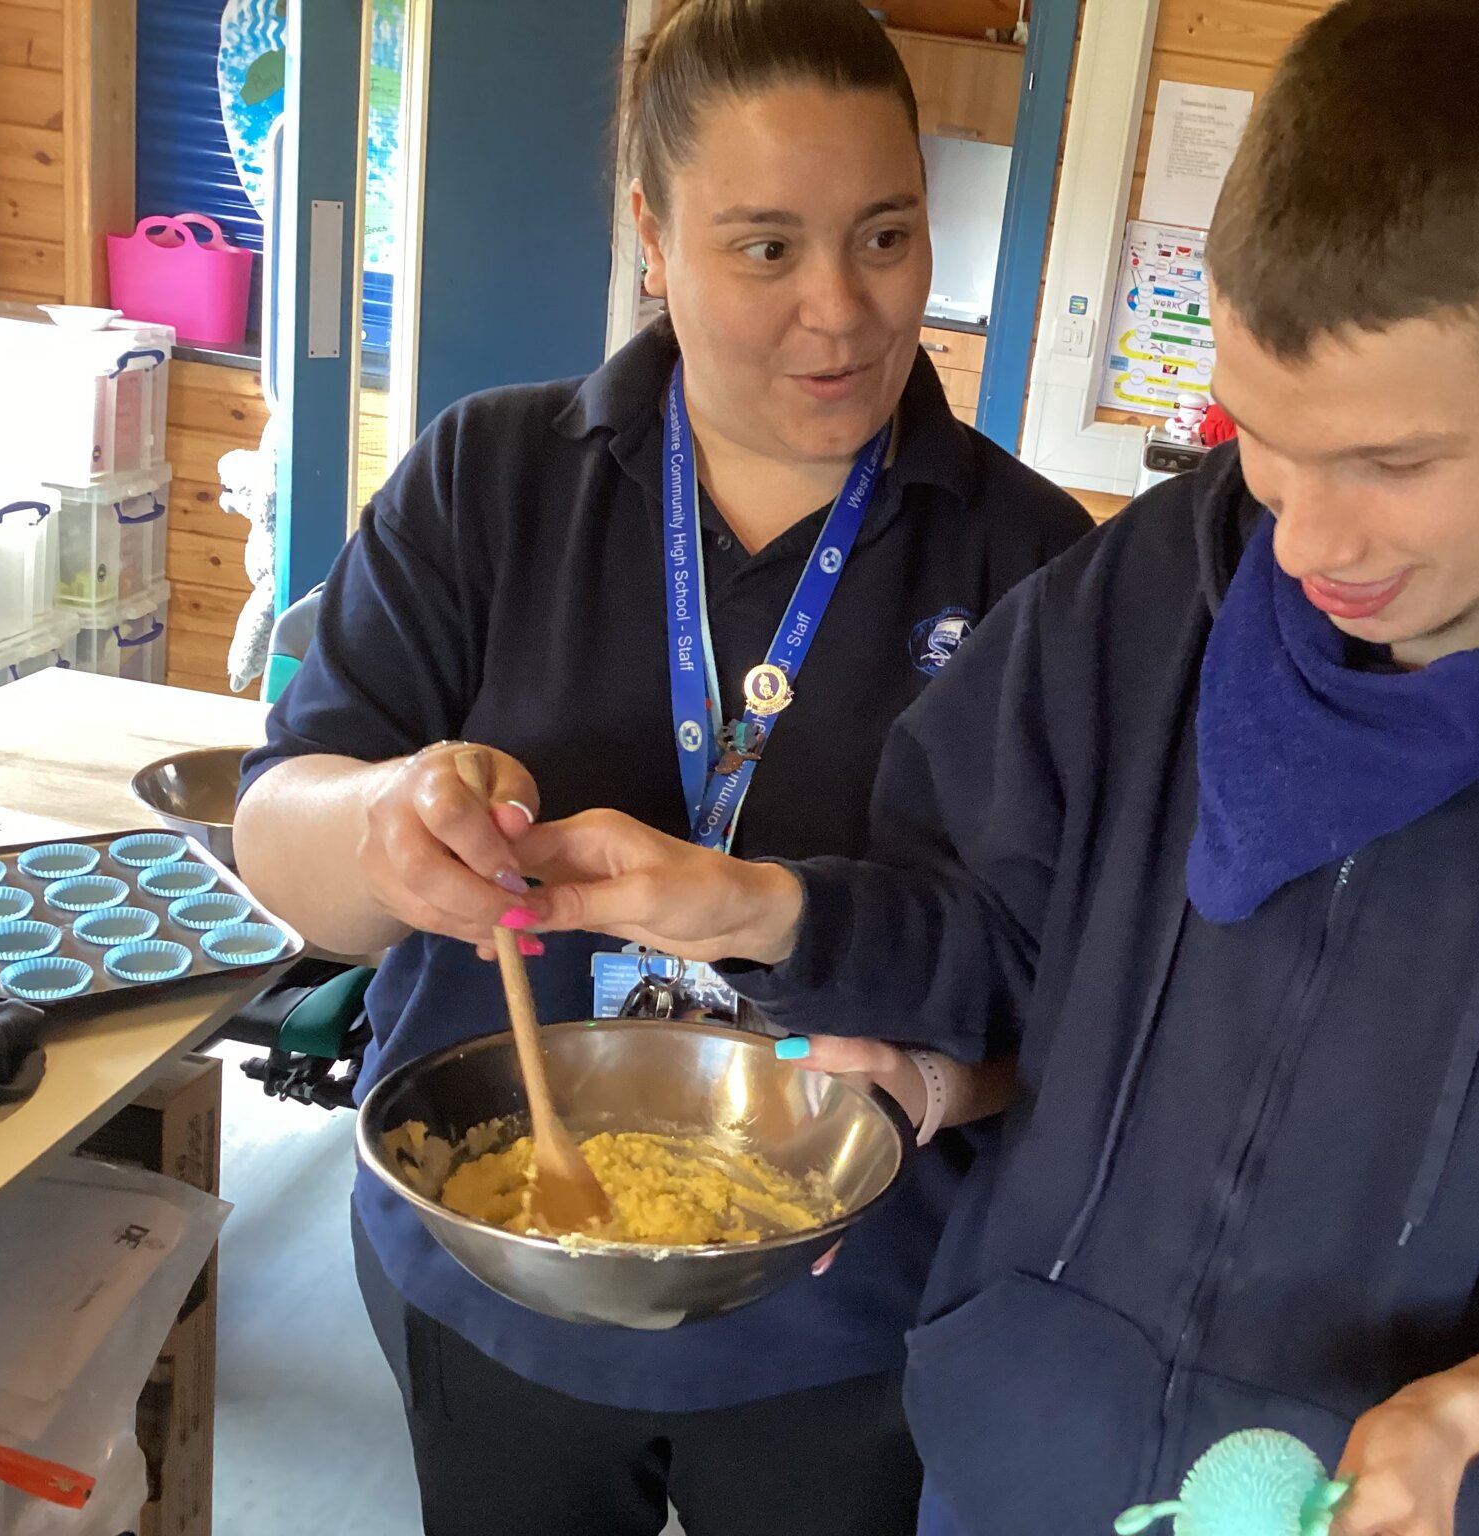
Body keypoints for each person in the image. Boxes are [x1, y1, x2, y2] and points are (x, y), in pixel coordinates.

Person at [505, 2, 1479, 1533]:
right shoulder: (1133, 608)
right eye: (1260, 436)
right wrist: (811, 962)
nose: (1306, 545)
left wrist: (1465, 1415)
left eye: (1394, 463)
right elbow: (998, 945)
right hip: (1020, 1467)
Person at [231, 2, 1092, 1532]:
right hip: (493, 1275)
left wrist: (898, 1037)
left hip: (850, 1316)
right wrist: (382, 824)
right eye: (766, 247)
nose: (840, 313)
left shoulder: (1037, 565)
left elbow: (1070, 979)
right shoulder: (488, 479)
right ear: (651, 231)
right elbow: (283, 835)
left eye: (887, 237)